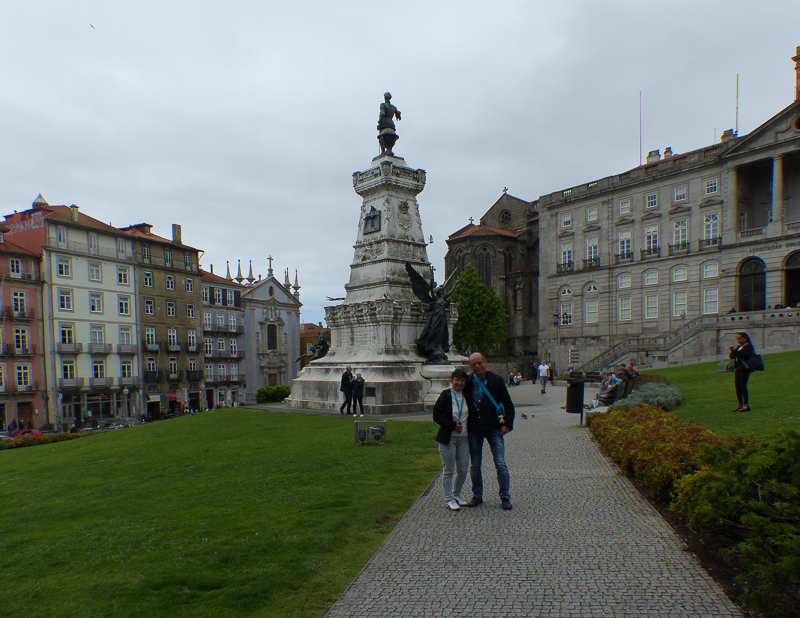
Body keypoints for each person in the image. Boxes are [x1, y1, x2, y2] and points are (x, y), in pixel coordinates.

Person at [465, 353, 515, 510]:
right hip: (474, 428)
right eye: (474, 364)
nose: (477, 366)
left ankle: (505, 496)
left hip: (494, 428)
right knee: (475, 465)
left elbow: (508, 405)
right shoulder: (467, 381)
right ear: (470, 367)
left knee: (500, 463)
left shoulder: (496, 380)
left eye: (479, 363)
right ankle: (477, 495)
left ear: (485, 363)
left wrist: (507, 424)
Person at [433, 368, 471, 511]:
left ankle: (457, 494)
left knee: (462, 469)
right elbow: (436, 415)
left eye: (462, 380)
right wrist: (452, 425)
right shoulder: (446, 395)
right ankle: (448, 498)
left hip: (464, 438)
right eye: (457, 379)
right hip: (449, 438)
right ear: (452, 380)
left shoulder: (467, 396)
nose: (459, 383)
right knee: (448, 469)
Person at [729, 332, 755, 411]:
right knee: (737, 386)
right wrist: (733, 352)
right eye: (737, 339)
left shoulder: (748, 346)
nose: (739, 340)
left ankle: (746, 405)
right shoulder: (739, 347)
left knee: (743, 385)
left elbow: (746, 355)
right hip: (738, 368)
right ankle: (740, 404)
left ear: (745, 338)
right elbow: (732, 356)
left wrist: (736, 352)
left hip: (745, 368)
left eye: (740, 339)